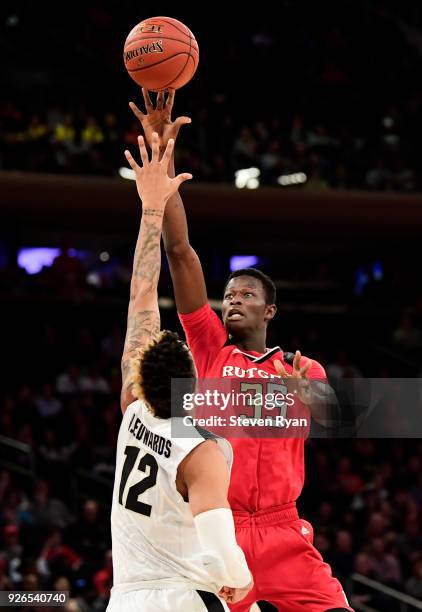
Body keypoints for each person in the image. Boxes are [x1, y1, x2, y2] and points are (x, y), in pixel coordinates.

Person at [131, 89, 353, 612]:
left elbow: (337, 421)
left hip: (283, 531)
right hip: (218, 529)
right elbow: (181, 253)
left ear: (268, 311)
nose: (232, 301)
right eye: (228, 295)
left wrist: (309, 394)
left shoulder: (300, 366)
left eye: (245, 296)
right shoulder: (208, 348)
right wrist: (165, 161)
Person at [107, 133, 252, 611]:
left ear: (144, 379)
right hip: (182, 598)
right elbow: (218, 542)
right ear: (194, 382)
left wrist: (151, 209)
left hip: (125, 598)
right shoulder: (201, 448)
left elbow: (141, 295)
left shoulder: (134, 410)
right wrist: (239, 578)